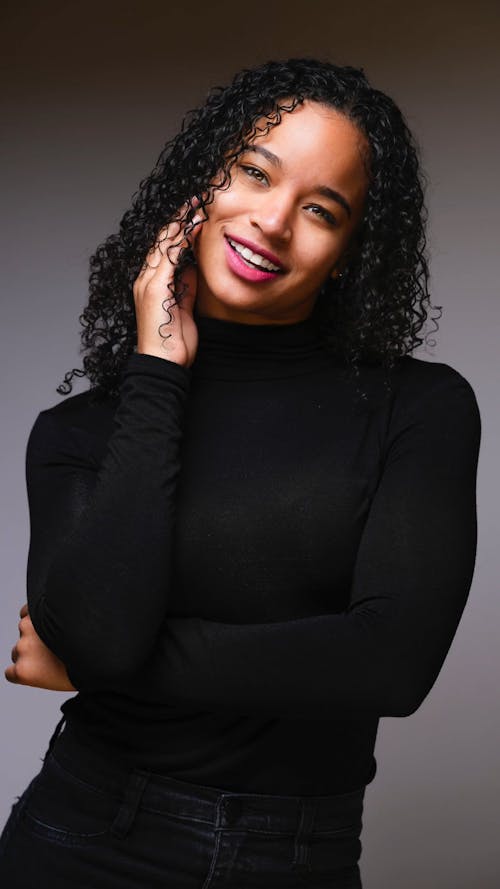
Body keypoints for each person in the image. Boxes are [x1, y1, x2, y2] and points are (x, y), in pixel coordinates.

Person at [1, 57, 480, 888]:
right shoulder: (79, 433)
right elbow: (104, 628)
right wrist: (158, 368)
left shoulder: (417, 406)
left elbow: (391, 662)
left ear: (349, 251)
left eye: (322, 210)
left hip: (298, 853)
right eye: (254, 172)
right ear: (202, 181)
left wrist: (99, 668)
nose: (272, 221)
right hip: (82, 834)